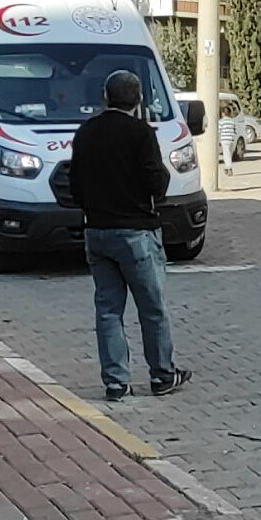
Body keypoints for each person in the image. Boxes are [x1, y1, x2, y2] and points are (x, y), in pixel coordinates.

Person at [69, 71, 192, 402]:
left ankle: (115, 382)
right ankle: (162, 374)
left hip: (97, 232)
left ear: (105, 97)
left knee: (108, 309)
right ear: (138, 100)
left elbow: (74, 185)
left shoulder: (86, 132)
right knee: (152, 307)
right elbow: (157, 183)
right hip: (136, 232)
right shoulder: (141, 133)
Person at [218, 106, 236, 177]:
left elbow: (219, 131)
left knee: (226, 154)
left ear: (223, 113)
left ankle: (229, 168)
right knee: (229, 154)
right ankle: (226, 167)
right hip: (231, 139)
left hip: (224, 140)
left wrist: (219, 140)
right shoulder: (232, 121)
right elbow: (235, 130)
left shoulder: (221, 122)